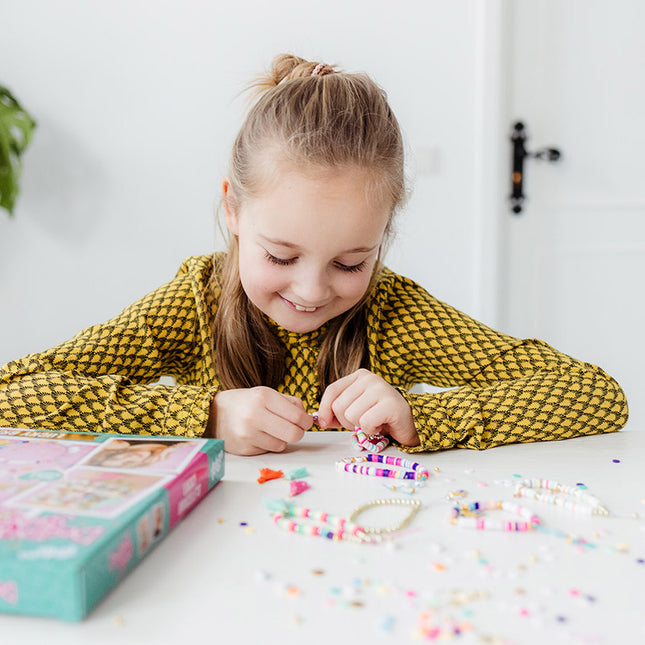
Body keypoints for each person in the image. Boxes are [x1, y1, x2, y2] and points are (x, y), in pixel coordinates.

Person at [0, 54, 628, 456]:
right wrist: (205, 414)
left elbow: (594, 393)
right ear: (234, 212)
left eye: (351, 263)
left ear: (384, 236)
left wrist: (420, 419)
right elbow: (11, 392)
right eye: (280, 255)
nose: (311, 289)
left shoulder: (393, 311)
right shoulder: (194, 300)